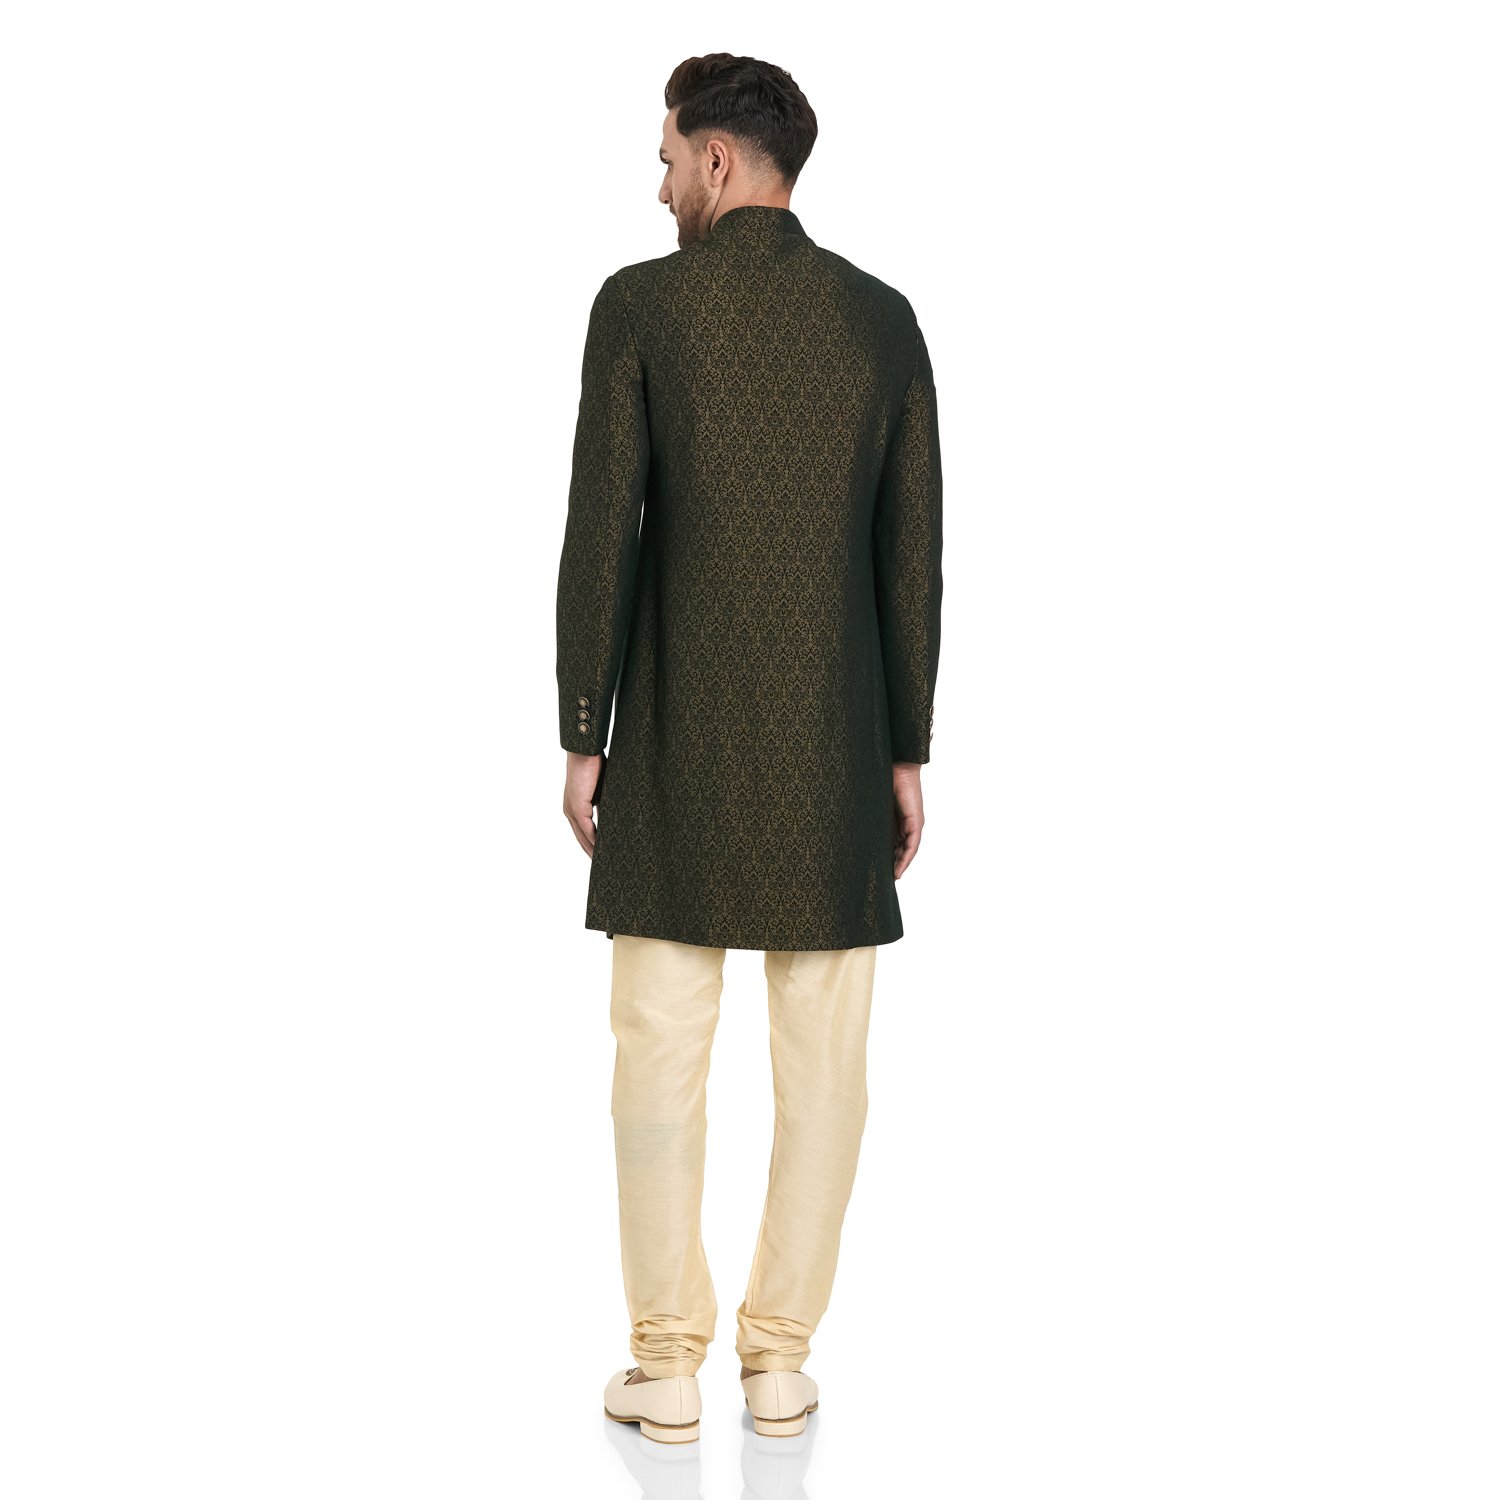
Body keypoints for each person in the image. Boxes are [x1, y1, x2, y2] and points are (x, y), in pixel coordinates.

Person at [555, 53, 943, 1444]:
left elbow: (601, 532)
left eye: (667, 158)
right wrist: (906, 749)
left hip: (671, 739)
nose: (659, 184)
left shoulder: (641, 307)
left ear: (719, 161)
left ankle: (665, 1366)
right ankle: (778, 1364)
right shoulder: (881, 321)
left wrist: (582, 730)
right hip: (836, 745)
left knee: (656, 1055)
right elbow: (912, 556)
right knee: (826, 1064)